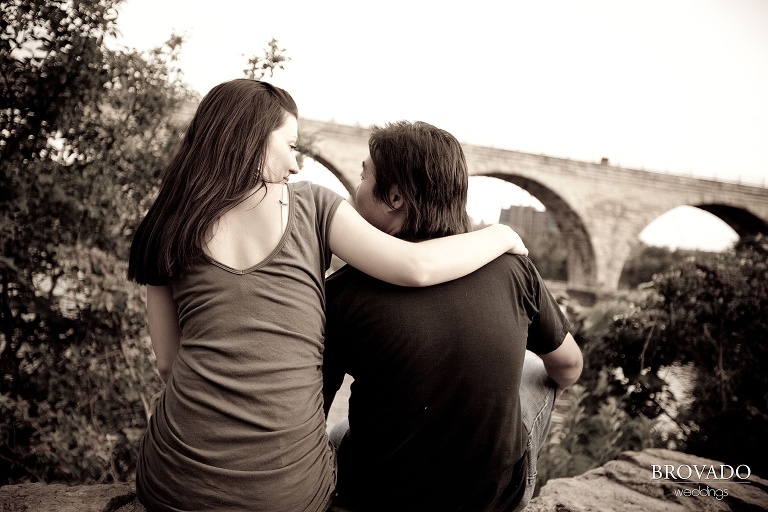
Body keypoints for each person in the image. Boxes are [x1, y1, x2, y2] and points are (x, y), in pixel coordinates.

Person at [127, 80, 528, 512]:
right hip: (288, 498)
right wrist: (502, 234)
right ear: (253, 138)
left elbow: (169, 365)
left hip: (171, 488)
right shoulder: (312, 206)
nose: (297, 164)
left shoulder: (166, 222)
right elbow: (416, 266)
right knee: (340, 438)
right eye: (290, 145)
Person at [322, 121, 583, 512]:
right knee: (536, 365)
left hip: (376, 499)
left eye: (363, 175)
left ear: (394, 196)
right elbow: (570, 368)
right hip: (493, 500)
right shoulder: (514, 270)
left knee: (338, 431)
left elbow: (311, 415)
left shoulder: (341, 291)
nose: (356, 189)